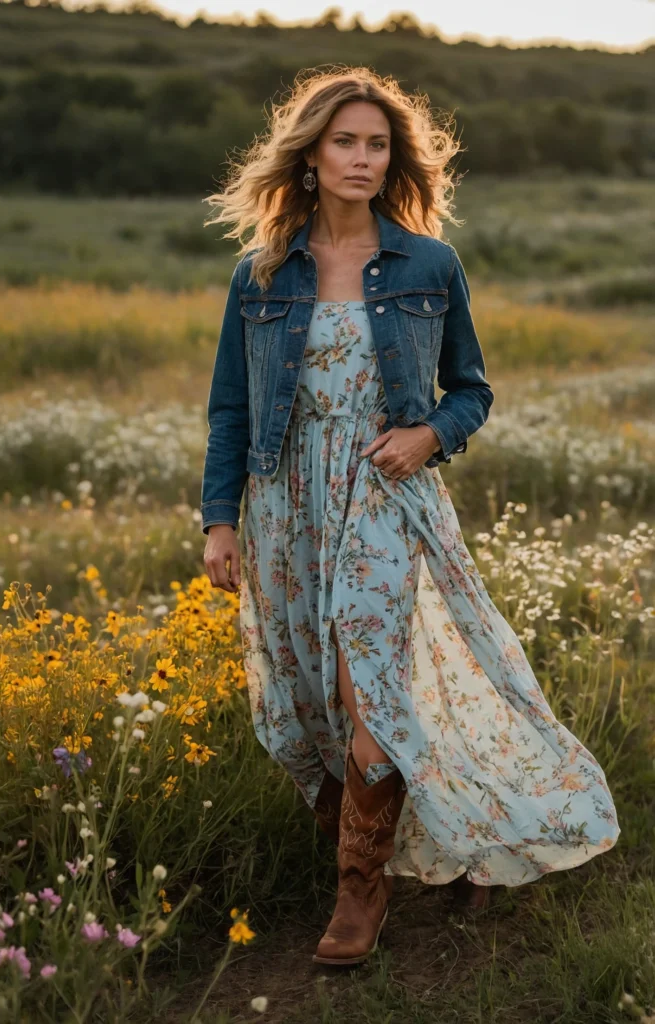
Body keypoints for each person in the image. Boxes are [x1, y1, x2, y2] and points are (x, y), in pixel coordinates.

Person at [200, 68, 620, 967]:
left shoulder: (428, 264)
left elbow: (471, 390)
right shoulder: (261, 273)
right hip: (287, 504)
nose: (361, 158)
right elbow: (231, 410)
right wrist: (219, 520)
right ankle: (426, 834)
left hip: (388, 499)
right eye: (344, 142)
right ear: (309, 156)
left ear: (395, 159)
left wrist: (428, 435)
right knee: (302, 705)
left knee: (365, 692)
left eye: (377, 144)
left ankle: (360, 893)